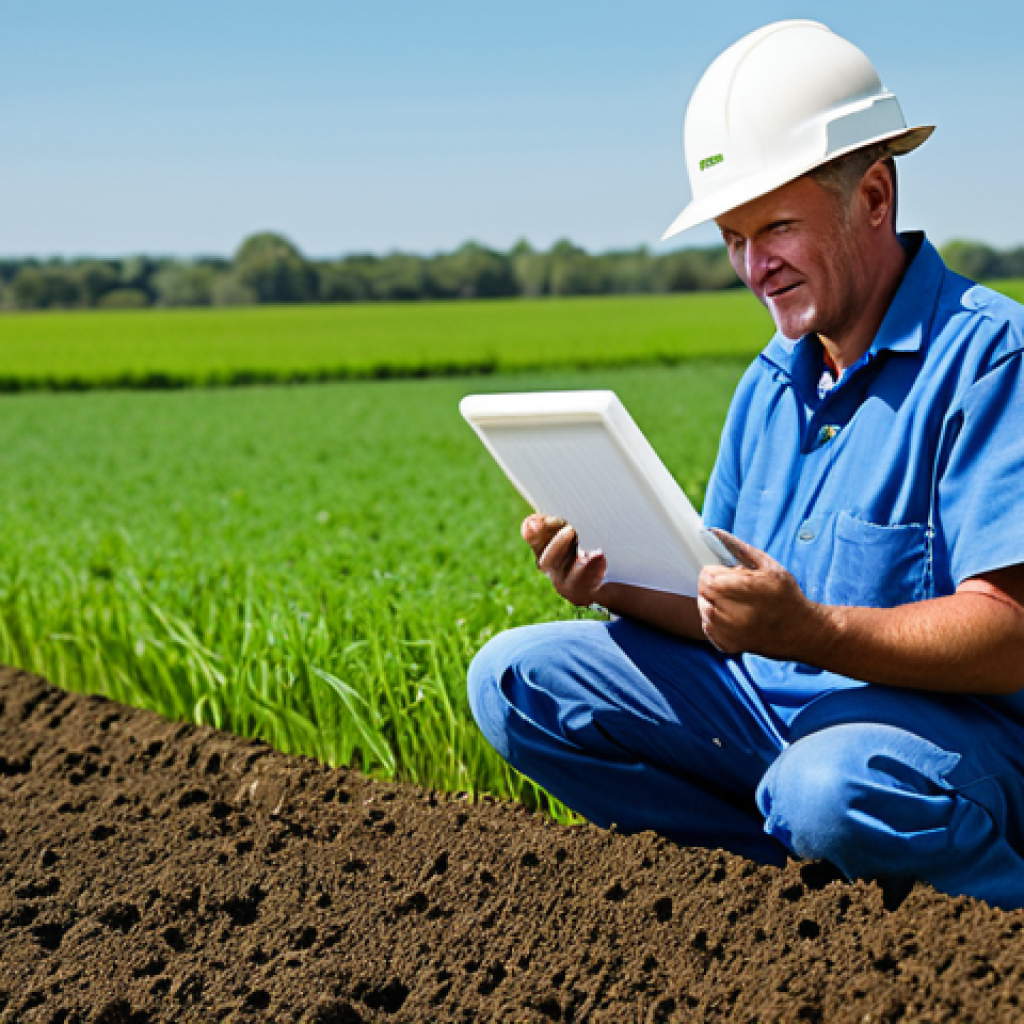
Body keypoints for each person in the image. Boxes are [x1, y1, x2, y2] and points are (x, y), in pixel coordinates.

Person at [467, 20, 1024, 910]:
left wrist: (814, 634)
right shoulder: (770, 383)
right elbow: (725, 611)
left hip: (942, 739)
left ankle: (992, 933)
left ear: (873, 195)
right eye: (733, 237)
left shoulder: (990, 356)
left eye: (777, 229)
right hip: (772, 716)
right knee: (515, 681)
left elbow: (1010, 637)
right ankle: (772, 902)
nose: (753, 267)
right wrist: (609, 581)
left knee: (830, 787)